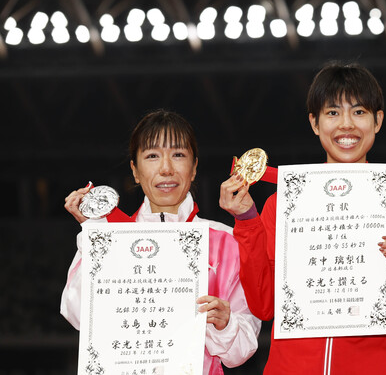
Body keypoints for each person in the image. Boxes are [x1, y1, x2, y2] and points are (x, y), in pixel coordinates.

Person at [219, 62, 386, 374]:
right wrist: (246, 220)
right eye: (333, 112)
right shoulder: (281, 205)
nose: (346, 125)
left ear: (378, 121)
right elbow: (264, 305)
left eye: (359, 112)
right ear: (314, 122)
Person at [61, 110, 261, 375]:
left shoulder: (226, 242)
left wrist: (225, 324)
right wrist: (95, 235)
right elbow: (77, 315)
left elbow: (240, 353)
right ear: (135, 170)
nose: (166, 168)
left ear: (194, 168)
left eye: (178, 155)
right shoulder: (112, 237)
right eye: (152, 156)